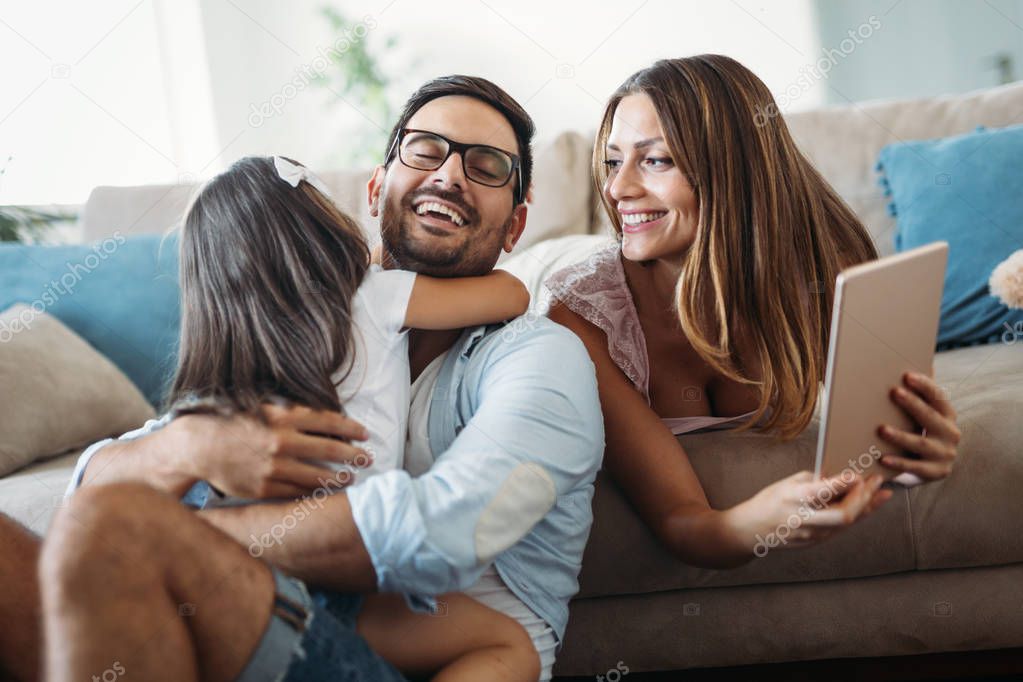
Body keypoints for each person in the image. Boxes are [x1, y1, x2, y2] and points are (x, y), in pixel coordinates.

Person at [12, 75, 604, 682]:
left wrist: (170, 541)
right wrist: (192, 446)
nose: (449, 175)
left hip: (392, 649)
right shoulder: (299, 324)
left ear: (516, 228)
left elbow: (452, 531)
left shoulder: (538, 356)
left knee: (111, 532)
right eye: (426, 150)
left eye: (486, 167)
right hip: (244, 618)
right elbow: (94, 484)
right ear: (374, 193)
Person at [546, 55, 961, 567]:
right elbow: (684, 521)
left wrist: (918, 455)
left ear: (732, 169)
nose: (617, 188)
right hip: (559, 267)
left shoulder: (826, 269)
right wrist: (753, 527)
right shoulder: (579, 321)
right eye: (614, 161)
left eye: (654, 160)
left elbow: (890, 437)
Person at [155, 150, 540, 680]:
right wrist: (376, 260)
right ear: (325, 229)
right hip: (340, 564)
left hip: (236, 572)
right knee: (509, 646)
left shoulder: (220, 360)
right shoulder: (374, 294)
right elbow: (511, 293)